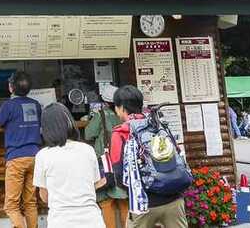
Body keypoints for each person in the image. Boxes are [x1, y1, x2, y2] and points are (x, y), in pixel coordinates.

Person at [109, 85, 188, 228]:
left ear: (121, 108)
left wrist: (135, 192)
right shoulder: (158, 124)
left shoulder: (120, 133)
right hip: (174, 200)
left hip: (143, 204)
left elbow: (119, 173)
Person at [33, 102, 106, 228]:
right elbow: (95, 183)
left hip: (61, 221)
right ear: (70, 122)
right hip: (92, 220)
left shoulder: (43, 156)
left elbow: (44, 196)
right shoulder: (87, 149)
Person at [0, 72, 41, 228]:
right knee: (30, 203)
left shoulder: (8, 106)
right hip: (35, 156)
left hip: (16, 158)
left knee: (11, 206)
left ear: (11, 87)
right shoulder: (36, 105)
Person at [85, 84, 129, 228]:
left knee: (105, 202)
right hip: (122, 161)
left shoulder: (101, 114)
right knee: (124, 201)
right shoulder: (125, 114)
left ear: (104, 100)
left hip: (105, 162)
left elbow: (88, 134)